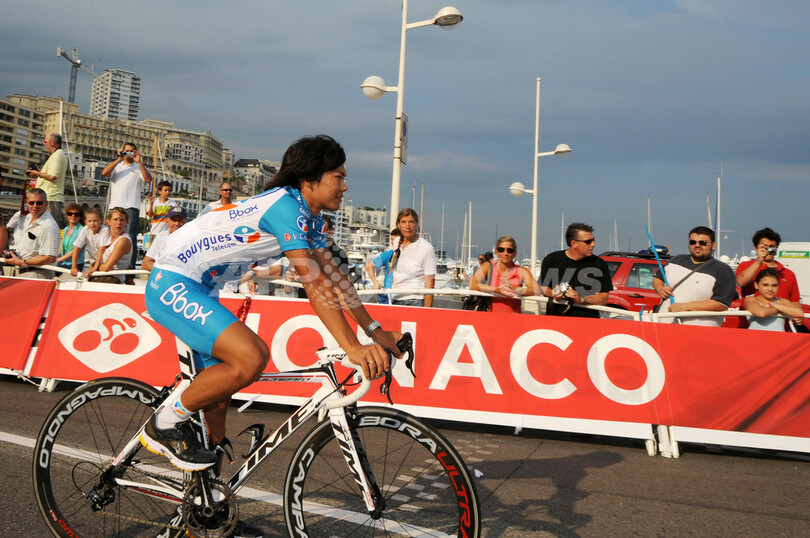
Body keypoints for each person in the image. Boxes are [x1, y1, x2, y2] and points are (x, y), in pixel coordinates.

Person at [140, 135, 401, 485]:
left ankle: (206, 504)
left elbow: (336, 278)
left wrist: (374, 331)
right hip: (173, 282)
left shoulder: (309, 218)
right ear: (309, 179)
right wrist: (352, 347)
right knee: (252, 357)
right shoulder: (286, 208)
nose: (344, 186)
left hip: (203, 289)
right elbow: (313, 283)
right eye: (338, 177)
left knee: (217, 405)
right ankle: (165, 422)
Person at [653, 226, 737, 327]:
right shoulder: (676, 260)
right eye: (693, 242)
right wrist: (660, 288)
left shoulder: (723, 270)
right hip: (664, 325)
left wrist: (685, 307)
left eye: (703, 243)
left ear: (713, 245)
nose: (697, 245)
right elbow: (657, 279)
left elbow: (721, 304)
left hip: (699, 330)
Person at [102, 142, 152, 283]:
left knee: (130, 237)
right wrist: (118, 158)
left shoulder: (137, 167)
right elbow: (104, 173)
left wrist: (139, 162)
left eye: (131, 151)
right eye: (126, 151)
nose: (129, 154)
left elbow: (148, 179)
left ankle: (129, 270)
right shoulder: (117, 166)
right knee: (111, 236)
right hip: (115, 205)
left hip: (131, 206)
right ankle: (108, 262)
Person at [540, 222, 613, 317]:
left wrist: (581, 299)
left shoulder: (599, 264)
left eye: (593, 240)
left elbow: (603, 298)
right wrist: (554, 293)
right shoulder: (552, 260)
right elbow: (543, 288)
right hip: (556, 319)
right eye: (588, 242)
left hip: (586, 321)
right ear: (573, 243)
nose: (593, 244)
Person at [735, 227, 802, 329]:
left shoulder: (788, 274)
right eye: (764, 247)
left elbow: (795, 301)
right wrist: (759, 260)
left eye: (772, 247)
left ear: (776, 247)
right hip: (749, 326)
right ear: (756, 247)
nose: (768, 250)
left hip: (780, 329)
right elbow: (741, 282)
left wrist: (797, 316)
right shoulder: (746, 266)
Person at [470, 235, 542, 313]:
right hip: (491, 316)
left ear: (514, 253)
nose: (505, 253)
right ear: (497, 252)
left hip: (513, 317)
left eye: (509, 250)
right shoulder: (488, 266)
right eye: (501, 250)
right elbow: (473, 285)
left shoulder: (521, 271)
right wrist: (495, 290)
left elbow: (536, 290)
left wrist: (519, 291)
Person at [2, 188, 60, 278]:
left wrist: (22, 262)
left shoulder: (48, 226)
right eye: (31, 203)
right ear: (27, 203)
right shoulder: (28, 217)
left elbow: (50, 258)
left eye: (39, 203)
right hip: (24, 272)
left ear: (46, 204)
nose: (35, 206)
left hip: (37, 274)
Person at [389, 208, 437, 307]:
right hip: (395, 297)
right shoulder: (396, 242)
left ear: (417, 223)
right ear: (398, 224)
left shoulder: (426, 248)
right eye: (403, 222)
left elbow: (430, 282)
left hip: (415, 300)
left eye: (411, 222)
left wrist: (427, 312)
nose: (407, 226)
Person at [26, 133, 67, 227]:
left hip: (51, 197)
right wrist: (39, 173)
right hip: (47, 197)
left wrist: (36, 173)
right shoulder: (55, 155)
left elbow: (52, 176)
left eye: (45, 142)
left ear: (52, 142)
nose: (44, 144)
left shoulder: (57, 155)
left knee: (48, 226)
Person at [84, 207, 133, 284]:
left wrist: (95, 266)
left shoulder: (123, 241)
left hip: (113, 280)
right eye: (115, 219)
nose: (118, 223)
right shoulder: (106, 236)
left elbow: (106, 267)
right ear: (108, 221)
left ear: (126, 222)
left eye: (122, 220)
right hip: (102, 277)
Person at [141, 205, 187, 272]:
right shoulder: (161, 237)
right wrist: (165, 273)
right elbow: (146, 263)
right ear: (167, 221)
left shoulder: (191, 238)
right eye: (173, 220)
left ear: (186, 221)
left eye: (180, 220)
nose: (177, 223)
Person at [70, 207, 110, 276]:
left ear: (102, 220)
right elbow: (76, 247)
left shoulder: (105, 230)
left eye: (95, 221)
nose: (92, 224)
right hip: (94, 261)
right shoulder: (85, 229)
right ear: (86, 222)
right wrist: (74, 267)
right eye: (90, 221)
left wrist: (95, 267)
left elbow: (102, 249)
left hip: (105, 261)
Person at [366, 229, 402, 304]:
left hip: (401, 296)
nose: (392, 242)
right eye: (392, 239)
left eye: (395, 240)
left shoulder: (409, 256)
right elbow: (369, 266)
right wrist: (375, 283)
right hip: (386, 296)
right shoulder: (388, 254)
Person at [55, 203, 85, 270]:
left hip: (76, 264)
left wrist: (57, 260)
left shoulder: (82, 230)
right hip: (64, 262)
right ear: (67, 215)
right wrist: (52, 257)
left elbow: (74, 252)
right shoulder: (66, 229)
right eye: (70, 214)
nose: (73, 216)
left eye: (76, 214)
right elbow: (61, 248)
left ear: (80, 217)